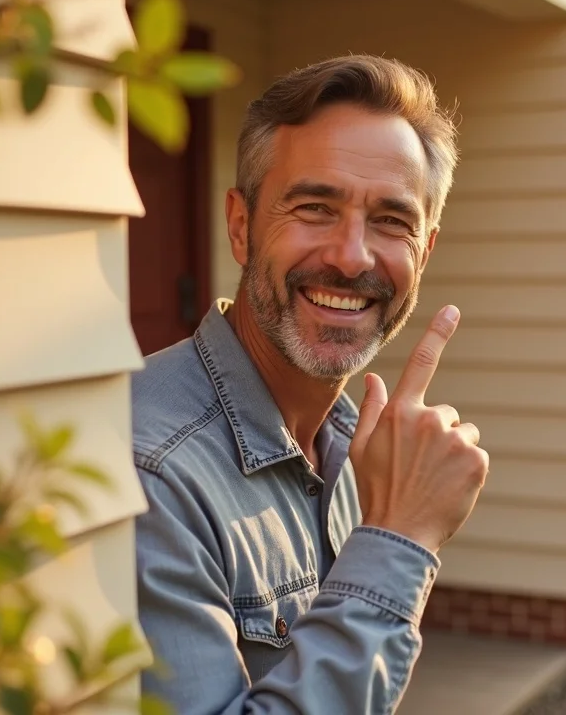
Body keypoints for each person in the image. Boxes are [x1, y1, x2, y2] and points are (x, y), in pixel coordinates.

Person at [130, 54, 487, 715]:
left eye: (391, 221)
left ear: (425, 251)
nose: (352, 256)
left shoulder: (358, 449)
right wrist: (400, 539)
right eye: (315, 208)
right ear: (241, 227)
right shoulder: (155, 470)